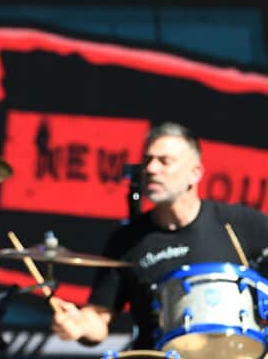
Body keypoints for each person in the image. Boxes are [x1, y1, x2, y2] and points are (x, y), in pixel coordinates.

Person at [49, 121, 268, 350]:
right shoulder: (127, 240)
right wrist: (79, 324)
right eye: (147, 160)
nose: (152, 169)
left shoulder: (240, 223)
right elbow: (100, 317)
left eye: (165, 161)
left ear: (195, 173)